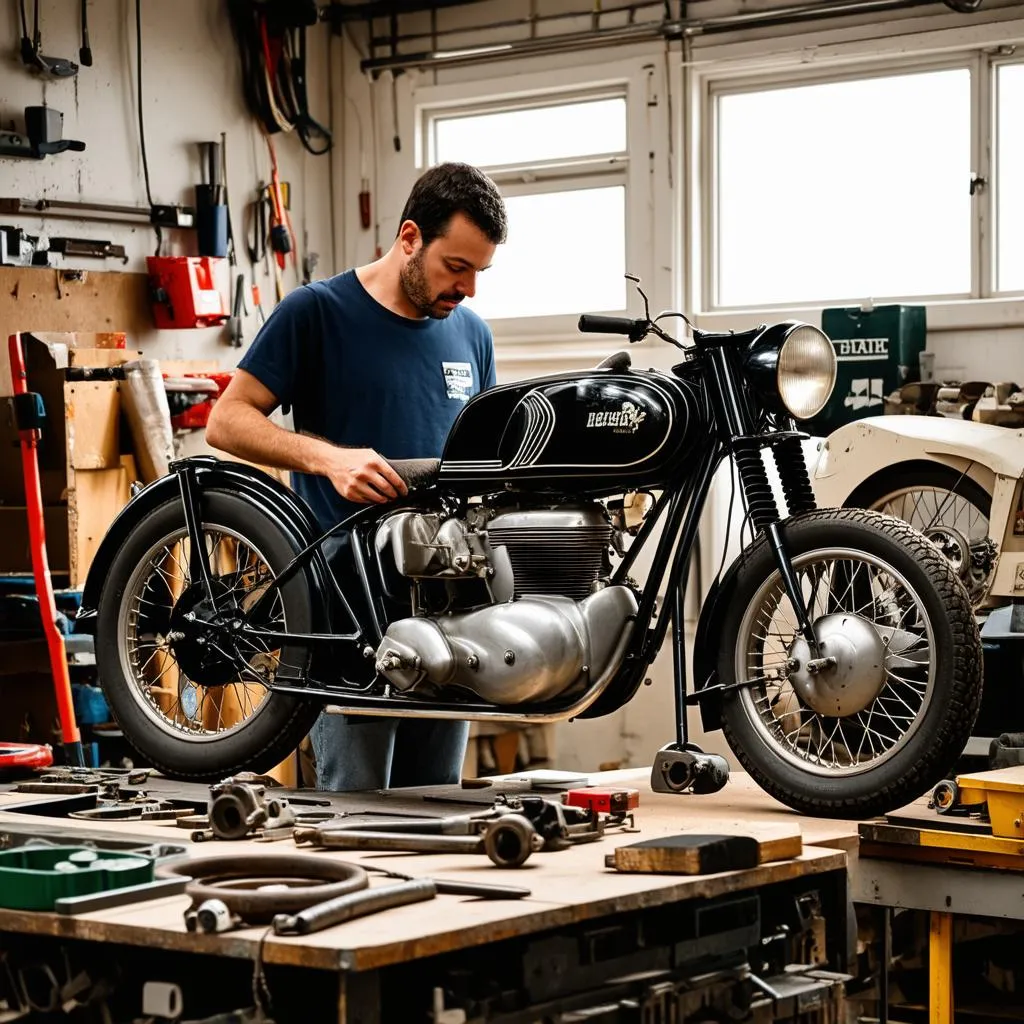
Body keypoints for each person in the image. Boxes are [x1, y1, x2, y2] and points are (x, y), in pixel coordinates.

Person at [205, 162, 508, 791]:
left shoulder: (472, 335)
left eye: (479, 272)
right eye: (457, 267)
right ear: (408, 238)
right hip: (344, 608)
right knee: (357, 812)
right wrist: (328, 457)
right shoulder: (316, 313)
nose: (469, 289)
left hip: (446, 608)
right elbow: (226, 421)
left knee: (437, 803)